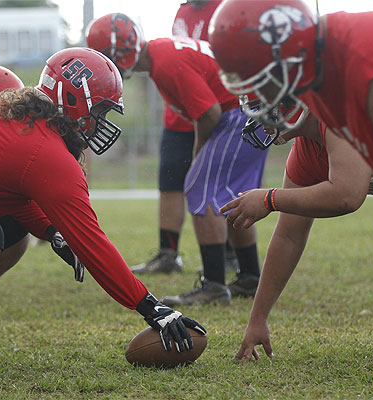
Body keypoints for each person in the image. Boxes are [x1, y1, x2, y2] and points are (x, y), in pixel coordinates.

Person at [0, 47, 206, 381]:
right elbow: (91, 242)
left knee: (13, 236)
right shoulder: (47, 150)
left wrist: (51, 232)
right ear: (77, 103)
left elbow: (8, 194)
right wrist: (152, 308)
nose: (102, 122)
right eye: (101, 110)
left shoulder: (29, 125)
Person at [209, 1, 373, 397]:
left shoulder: (353, 76)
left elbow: (347, 194)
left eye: (260, 81)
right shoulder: (313, 126)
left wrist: (269, 199)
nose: (257, 103)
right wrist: (258, 319)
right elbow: (289, 237)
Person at [86, 14, 268, 305]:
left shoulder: (166, 62)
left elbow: (208, 112)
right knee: (232, 196)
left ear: (118, 53)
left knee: (200, 189)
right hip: (248, 108)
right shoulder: (163, 53)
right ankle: (249, 277)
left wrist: (198, 151)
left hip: (238, 113)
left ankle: (215, 286)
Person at [131, 0, 227, 275]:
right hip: (180, 116)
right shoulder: (183, 10)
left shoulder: (227, 7)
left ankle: (229, 254)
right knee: (170, 185)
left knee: (218, 189)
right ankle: (167, 253)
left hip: (211, 107)